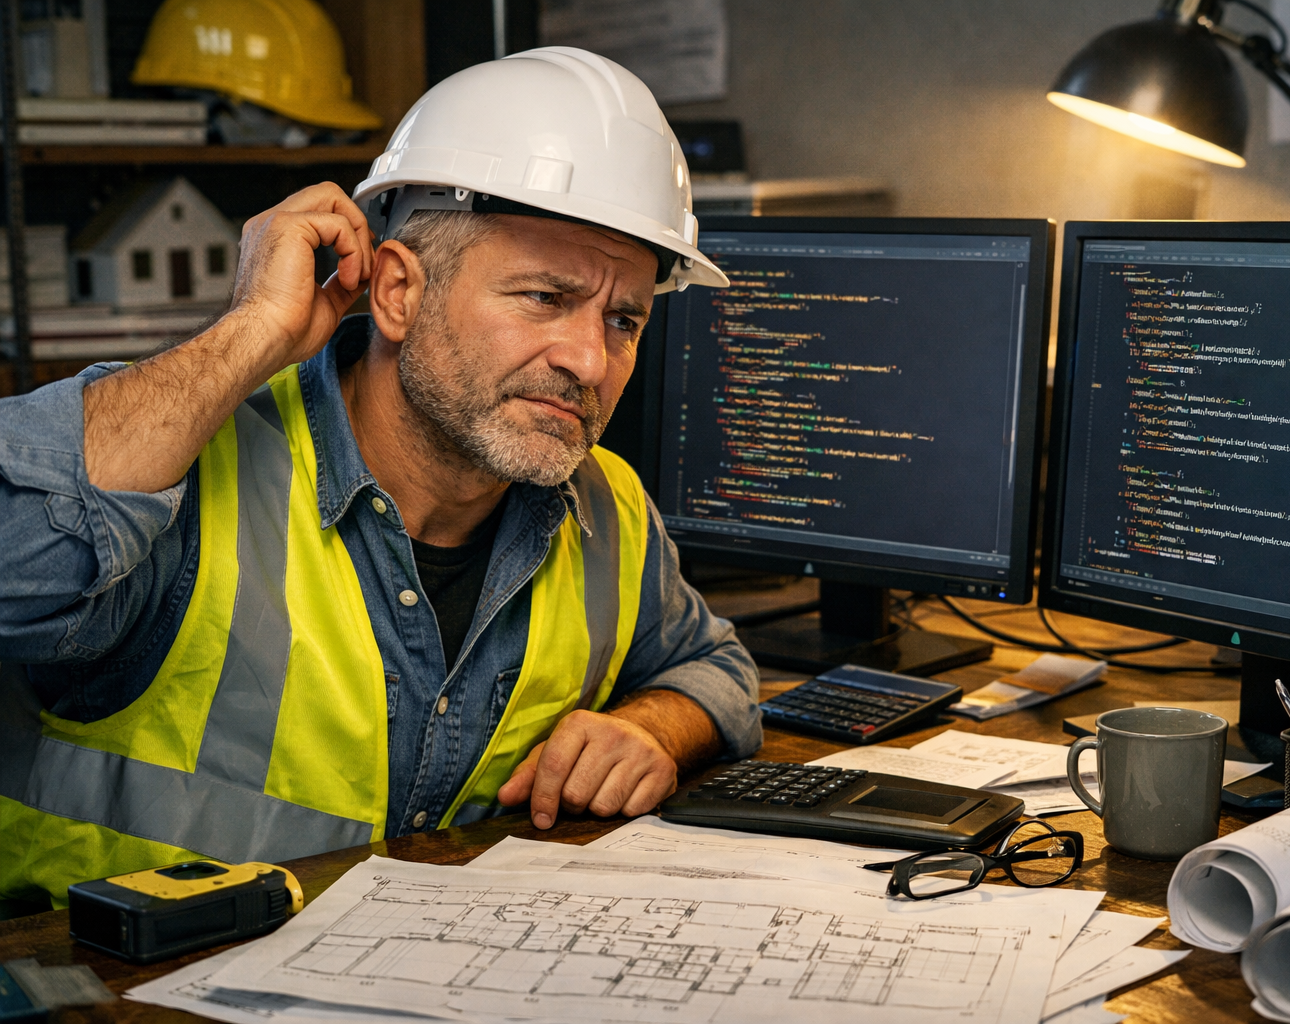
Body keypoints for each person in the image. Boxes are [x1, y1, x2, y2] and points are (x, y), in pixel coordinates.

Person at [0, 47, 759, 909]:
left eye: (624, 319)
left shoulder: (606, 506)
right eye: (544, 298)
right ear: (396, 291)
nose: (589, 360)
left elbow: (716, 666)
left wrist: (650, 728)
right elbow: (13, 572)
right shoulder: (182, 484)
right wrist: (255, 328)